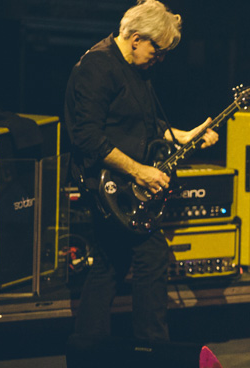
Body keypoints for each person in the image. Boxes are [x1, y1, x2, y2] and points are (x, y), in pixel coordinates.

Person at [65, 0, 218, 342]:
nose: (159, 59)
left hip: (123, 185)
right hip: (106, 186)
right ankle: (152, 349)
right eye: (157, 50)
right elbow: (87, 137)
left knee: (109, 265)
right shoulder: (97, 67)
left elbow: (143, 123)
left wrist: (182, 136)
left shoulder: (135, 68)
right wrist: (139, 172)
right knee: (152, 256)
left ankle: (89, 351)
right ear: (136, 39)